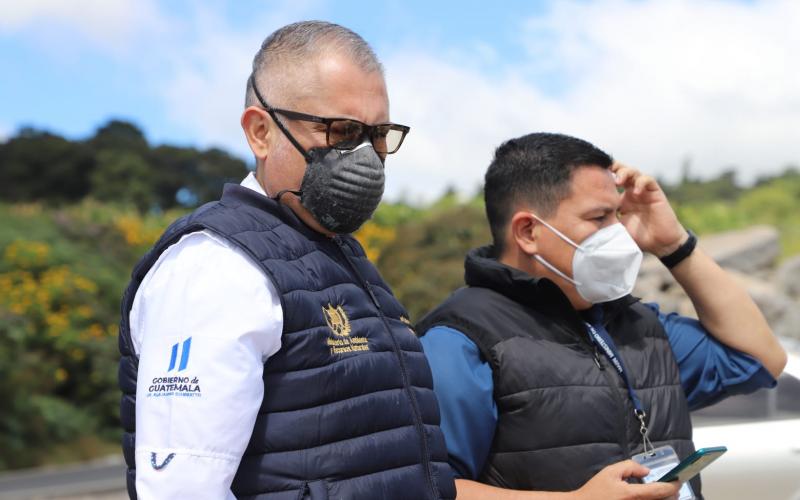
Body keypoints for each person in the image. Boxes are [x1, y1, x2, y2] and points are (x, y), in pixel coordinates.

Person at [117, 21, 455, 500]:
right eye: (342, 131)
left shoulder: (341, 256)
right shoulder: (216, 268)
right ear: (260, 132)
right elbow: (182, 489)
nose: (366, 156)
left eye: (378, 134)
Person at [417, 132, 787, 499]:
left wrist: (674, 244)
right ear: (528, 231)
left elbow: (761, 358)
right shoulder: (460, 338)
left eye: (618, 215)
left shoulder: (639, 325)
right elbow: (429, 488)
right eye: (599, 217)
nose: (620, 233)